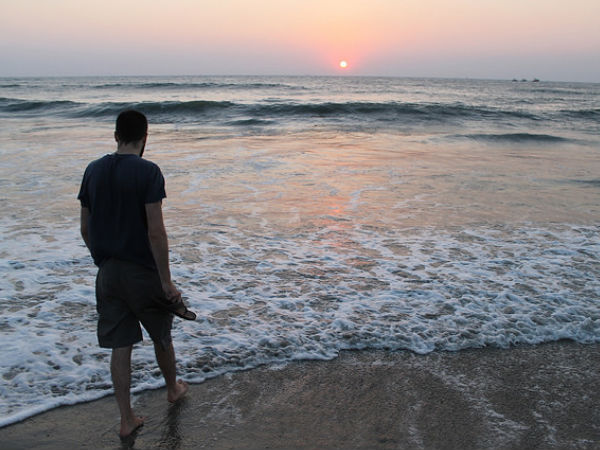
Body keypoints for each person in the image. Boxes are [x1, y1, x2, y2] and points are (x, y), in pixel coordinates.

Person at [78, 110, 196, 439]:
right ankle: (172, 389)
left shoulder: (93, 170)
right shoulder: (148, 172)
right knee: (161, 335)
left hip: (108, 272)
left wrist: (102, 262)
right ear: (145, 138)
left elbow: (85, 228)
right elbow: (156, 232)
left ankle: (126, 419)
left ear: (116, 136)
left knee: (121, 344)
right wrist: (166, 280)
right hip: (141, 272)